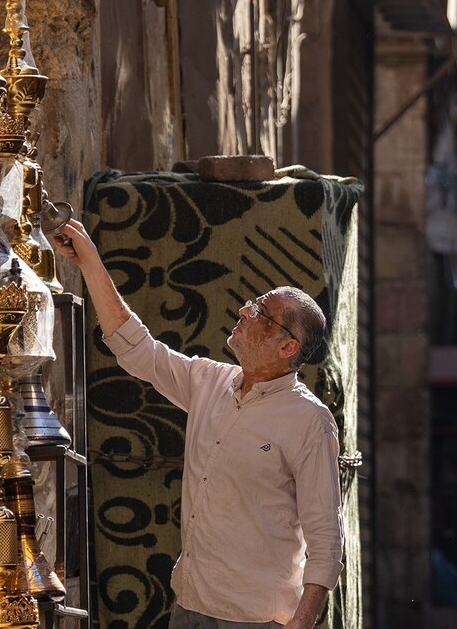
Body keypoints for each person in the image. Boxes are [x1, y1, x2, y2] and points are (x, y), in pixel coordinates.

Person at [52, 219, 344, 629]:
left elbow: (326, 540)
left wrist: (301, 623)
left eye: (261, 311)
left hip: (256, 620)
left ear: (288, 347)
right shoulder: (210, 381)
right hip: (188, 607)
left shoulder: (309, 421)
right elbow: (136, 348)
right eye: (253, 302)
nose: (245, 309)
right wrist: (90, 263)